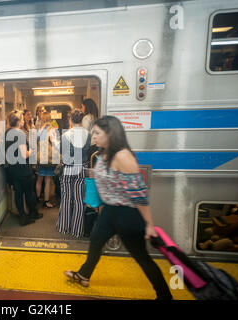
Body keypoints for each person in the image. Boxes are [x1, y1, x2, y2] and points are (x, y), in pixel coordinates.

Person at [64, 116, 172, 300]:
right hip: (109, 212)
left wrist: (149, 224)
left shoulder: (123, 156)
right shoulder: (105, 153)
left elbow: (139, 193)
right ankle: (84, 275)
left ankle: (165, 296)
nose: (93, 137)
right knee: (96, 242)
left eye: (97, 133)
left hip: (126, 215)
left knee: (142, 258)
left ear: (110, 133)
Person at [56, 109, 90, 238]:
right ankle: (77, 230)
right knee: (79, 200)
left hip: (68, 169)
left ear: (70, 120)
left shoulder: (66, 135)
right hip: (82, 168)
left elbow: (62, 152)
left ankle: (64, 227)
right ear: (81, 120)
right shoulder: (88, 134)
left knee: (65, 197)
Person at [5, 111, 43, 226]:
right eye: (21, 119)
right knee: (29, 191)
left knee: (18, 193)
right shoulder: (20, 134)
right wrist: (31, 151)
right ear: (17, 122)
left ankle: (22, 216)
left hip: (12, 168)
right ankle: (32, 213)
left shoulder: (7, 132)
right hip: (22, 168)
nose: (23, 121)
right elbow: (24, 154)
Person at [36, 111, 59, 208]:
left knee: (39, 179)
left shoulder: (39, 130)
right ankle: (46, 201)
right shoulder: (52, 130)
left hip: (40, 157)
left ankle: (36, 199)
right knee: (48, 180)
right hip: (49, 157)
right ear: (50, 119)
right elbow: (55, 143)